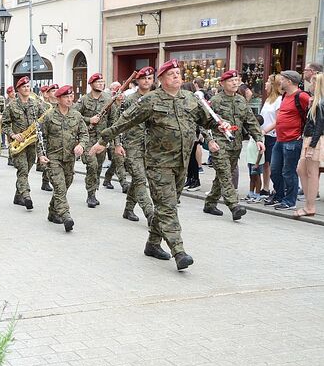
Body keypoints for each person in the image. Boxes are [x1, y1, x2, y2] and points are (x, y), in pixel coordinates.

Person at [92, 60, 232, 271]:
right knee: (168, 208)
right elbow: (125, 121)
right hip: (159, 164)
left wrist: (221, 124)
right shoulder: (151, 100)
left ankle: (152, 244)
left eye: (178, 73)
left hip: (182, 163)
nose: (176, 76)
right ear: (162, 79)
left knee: (167, 205)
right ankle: (179, 251)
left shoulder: (190, 99)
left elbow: (207, 120)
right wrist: (103, 140)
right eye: (171, 74)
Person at [203, 70, 265, 221]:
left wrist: (258, 138)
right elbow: (203, 123)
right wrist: (210, 140)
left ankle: (210, 203)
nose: (235, 83)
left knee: (223, 175)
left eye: (236, 80)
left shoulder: (241, 100)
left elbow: (250, 121)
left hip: (235, 145)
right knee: (225, 174)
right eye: (231, 81)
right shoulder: (215, 101)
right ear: (222, 83)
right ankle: (234, 206)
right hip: (219, 144)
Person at [37, 85, 89, 232]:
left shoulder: (77, 116)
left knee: (65, 185)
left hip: (69, 158)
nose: (70, 99)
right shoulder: (49, 116)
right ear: (58, 99)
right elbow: (41, 137)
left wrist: (81, 145)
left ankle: (53, 211)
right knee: (60, 187)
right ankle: (66, 216)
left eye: (71, 96)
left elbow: (84, 134)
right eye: (66, 97)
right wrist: (41, 154)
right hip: (53, 158)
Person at [262, 70, 310, 211]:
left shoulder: (302, 96)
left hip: (293, 139)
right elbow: (280, 118)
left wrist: (304, 134)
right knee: (275, 170)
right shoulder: (284, 95)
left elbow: (313, 114)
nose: (280, 82)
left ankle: (290, 201)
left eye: (282, 79)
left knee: (288, 172)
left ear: (289, 81)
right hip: (280, 139)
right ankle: (279, 195)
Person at [119, 67, 156, 224]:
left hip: (152, 145)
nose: (146, 81)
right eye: (143, 78)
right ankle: (150, 214)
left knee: (137, 179)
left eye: (149, 78)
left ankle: (128, 209)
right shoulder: (129, 100)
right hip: (133, 144)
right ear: (137, 81)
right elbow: (119, 122)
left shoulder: (157, 98)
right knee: (140, 179)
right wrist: (117, 144)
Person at [2, 75, 43, 210]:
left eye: (28, 86)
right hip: (18, 144)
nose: (26, 88)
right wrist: (13, 135)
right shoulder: (11, 105)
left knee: (26, 170)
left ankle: (17, 196)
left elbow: (43, 118)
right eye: (24, 86)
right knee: (23, 169)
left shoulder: (36, 104)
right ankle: (26, 195)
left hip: (31, 142)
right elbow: (4, 124)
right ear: (18, 89)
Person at [73, 73, 112, 208]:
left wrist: (112, 140)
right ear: (91, 84)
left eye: (102, 81)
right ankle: (90, 194)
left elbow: (113, 120)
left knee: (99, 166)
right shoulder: (84, 100)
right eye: (98, 82)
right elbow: (74, 115)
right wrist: (89, 119)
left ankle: (94, 190)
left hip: (102, 139)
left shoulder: (108, 100)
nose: (101, 84)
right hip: (87, 138)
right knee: (92, 164)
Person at [297, 72, 324, 217]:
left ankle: (310, 206)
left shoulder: (320, 103)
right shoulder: (316, 102)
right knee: (301, 169)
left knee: (311, 172)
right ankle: (309, 203)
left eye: (313, 83)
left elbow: (319, 126)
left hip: (314, 139)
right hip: (310, 138)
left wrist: (312, 145)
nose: (310, 85)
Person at [260, 74, 282, 197]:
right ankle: (265, 187)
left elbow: (278, 120)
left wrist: (265, 130)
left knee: (273, 163)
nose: (265, 83)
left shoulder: (279, 100)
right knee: (266, 162)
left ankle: (277, 188)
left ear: (273, 84)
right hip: (265, 135)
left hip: (273, 135)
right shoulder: (268, 99)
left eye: (268, 81)